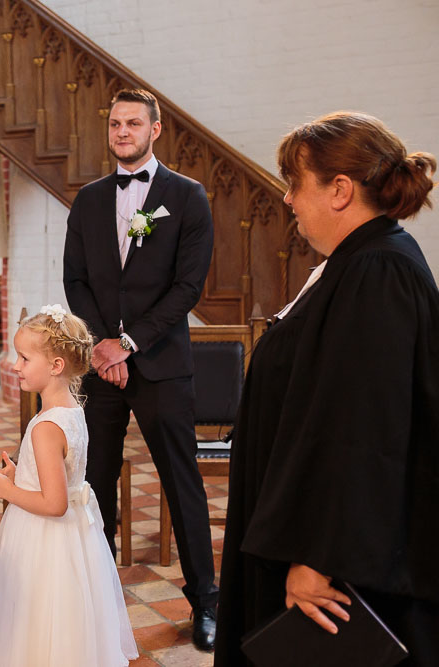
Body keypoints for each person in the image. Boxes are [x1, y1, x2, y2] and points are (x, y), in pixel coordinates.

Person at [214, 112, 439, 665]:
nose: (288, 200)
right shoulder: (358, 262)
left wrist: (317, 555)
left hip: (331, 560)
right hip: (314, 532)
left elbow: (364, 433)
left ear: (340, 190)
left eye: (295, 184)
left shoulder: (377, 271)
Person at [62, 87, 219, 650]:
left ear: (156, 129)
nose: (122, 132)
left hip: (161, 365)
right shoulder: (89, 200)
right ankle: (95, 600)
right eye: (114, 124)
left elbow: (187, 288)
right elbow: (75, 280)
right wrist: (103, 345)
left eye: (133, 123)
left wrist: (127, 344)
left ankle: (206, 602)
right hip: (100, 368)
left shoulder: (189, 196)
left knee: (183, 484)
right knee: (95, 483)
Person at [0, 306, 139, 667]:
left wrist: (7, 491)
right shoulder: (74, 411)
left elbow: (54, 503)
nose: (15, 366)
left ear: (56, 366)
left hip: (43, 535)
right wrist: (22, 475)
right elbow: (64, 476)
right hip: (74, 537)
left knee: (37, 612)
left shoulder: (46, 426)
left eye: (24, 358)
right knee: (68, 614)